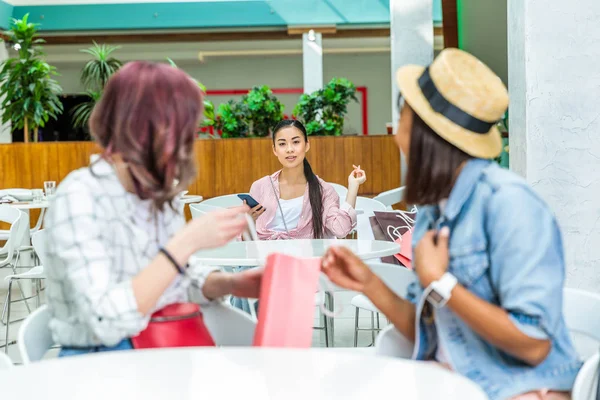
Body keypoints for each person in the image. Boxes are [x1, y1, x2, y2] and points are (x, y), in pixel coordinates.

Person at [322, 48, 581, 400]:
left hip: (520, 389)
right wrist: (369, 284)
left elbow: (534, 346)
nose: (395, 134)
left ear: (425, 135)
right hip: (454, 380)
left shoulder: (510, 204)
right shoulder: (433, 209)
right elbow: (430, 335)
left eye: (402, 118)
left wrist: (440, 283)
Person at [44, 61, 263, 356]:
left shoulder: (157, 191)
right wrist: (184, 243)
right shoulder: (80, 196)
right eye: (178, 129)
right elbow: (104, 321)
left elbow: (176, 282)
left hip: (161, 343)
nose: (186, 143)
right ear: (137, 126)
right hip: (98, 359)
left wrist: (231, 283)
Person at [248, 119, 366, 240]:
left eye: (296, 142)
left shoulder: (323, 190)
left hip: (307, 258)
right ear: (274, 150)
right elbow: (248, 241)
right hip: (266, 257)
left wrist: (353, 186)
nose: (289, 149)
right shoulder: (260, 187)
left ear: (307, 145)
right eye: (282, 144)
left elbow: (341, 229)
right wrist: (249, 221)